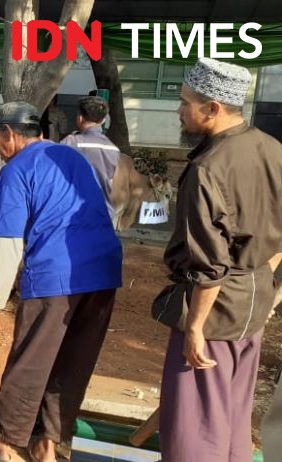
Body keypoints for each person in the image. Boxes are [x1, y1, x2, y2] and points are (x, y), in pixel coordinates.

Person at [0, 102, 123, 462]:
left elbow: (9, 244)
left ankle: (2, 443)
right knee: (73, 360)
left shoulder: (17, 168)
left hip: (57, 274)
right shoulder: (71, 156)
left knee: (30, 360)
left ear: (9, 134)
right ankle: (48, 444)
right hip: (104, 269)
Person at [157, 57, 282, 462]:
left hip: (214, 312)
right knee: (230, 419)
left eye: (185, 102)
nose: (179, 110)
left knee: (193, 429)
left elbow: (209, 266)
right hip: (255, 304)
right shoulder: (272, 149)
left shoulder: (207, 169)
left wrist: (195, 327)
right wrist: (268, 288)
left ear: (212, 108)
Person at [61, 96, 121, 219]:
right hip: (104, 215)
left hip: (74, 215)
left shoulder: (71, 143)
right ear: (104, 120)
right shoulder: (114, 150)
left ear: (80, 118)